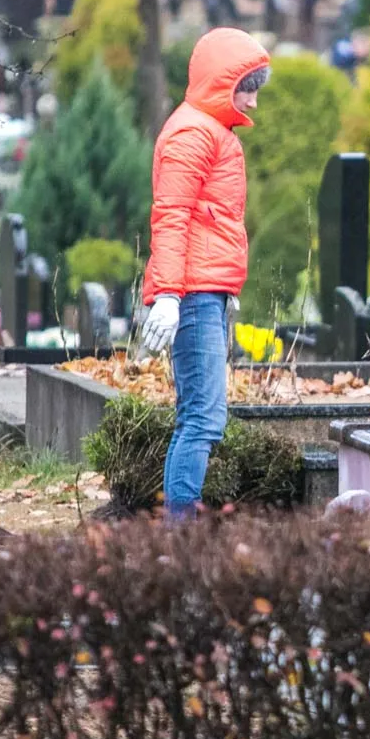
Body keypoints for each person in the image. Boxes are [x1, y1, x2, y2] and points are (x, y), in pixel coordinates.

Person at [138, 27, 272, 518]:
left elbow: (208, 221)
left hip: (204, 289)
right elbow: (171, 215)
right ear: (222, 81)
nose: (253, 103)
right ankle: (181, 533)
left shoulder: (209, 130)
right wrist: (171, 294)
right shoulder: (193, 132)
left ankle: (182, 528)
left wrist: (222, 287)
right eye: (248, 87)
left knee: (201, 416)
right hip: (192, 293)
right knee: (202, 418)